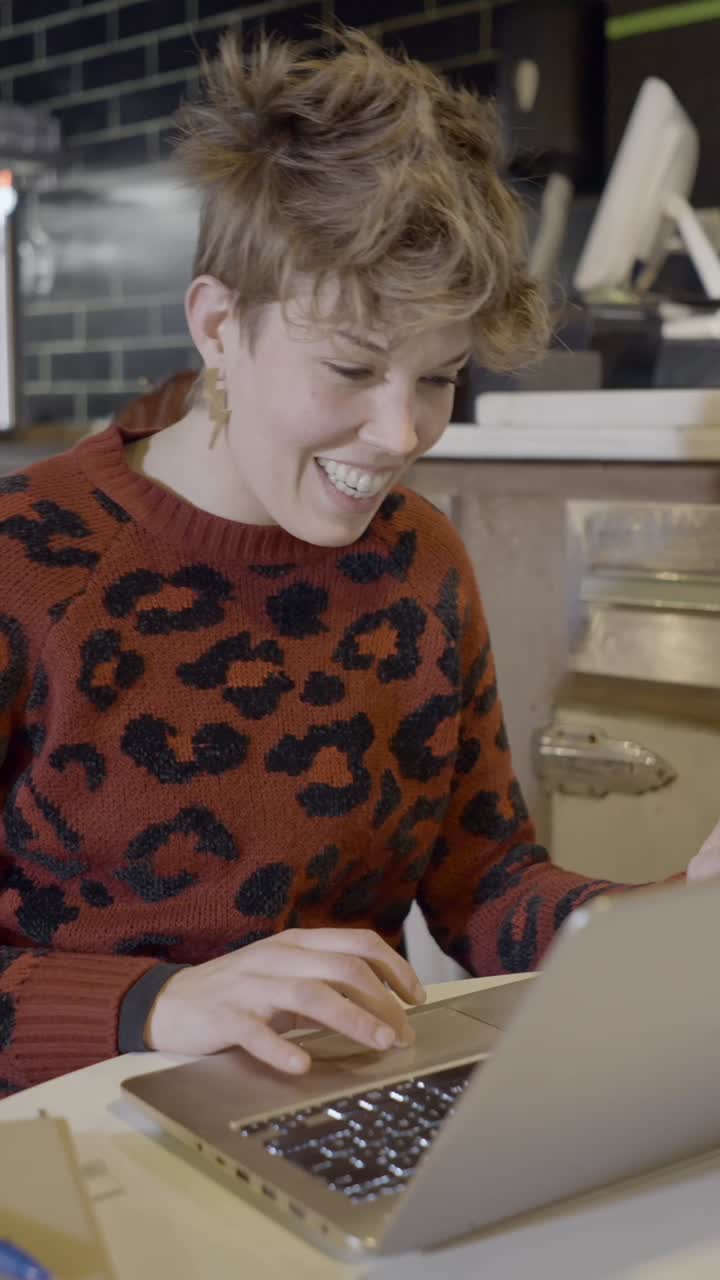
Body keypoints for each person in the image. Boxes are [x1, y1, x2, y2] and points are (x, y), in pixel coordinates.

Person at [0, 28, 718, 1100]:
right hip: (61, 1145)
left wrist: (666, 922)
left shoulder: (417, 562)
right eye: (352, 364)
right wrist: (153, 1003)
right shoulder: (27, 558)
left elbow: (485, 888)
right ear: (218, 326)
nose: (401, 431)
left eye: (439, 375)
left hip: (323, 1115)